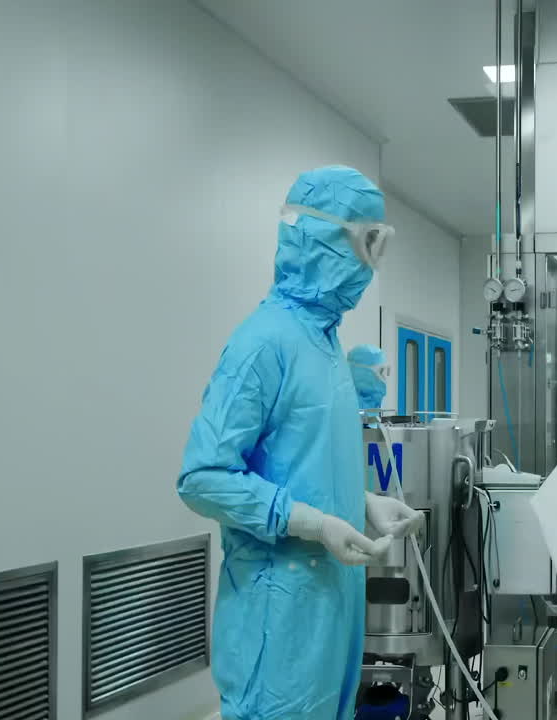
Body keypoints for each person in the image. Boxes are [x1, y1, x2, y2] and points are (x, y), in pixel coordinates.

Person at [179, 166, 421, 720]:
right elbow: (202, 479)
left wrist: (361, 503)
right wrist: (314, 524)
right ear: (320, 238)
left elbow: (301, 461)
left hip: (329, 614)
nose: (371, 264)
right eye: (368, 242)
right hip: (279, 619)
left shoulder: (328, 345)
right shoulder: (263, 343)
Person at [347, 344, 388, 409]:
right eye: (380, 371)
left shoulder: (373, 404)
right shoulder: (346, 407)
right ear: (362, 373)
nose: (384, 378)